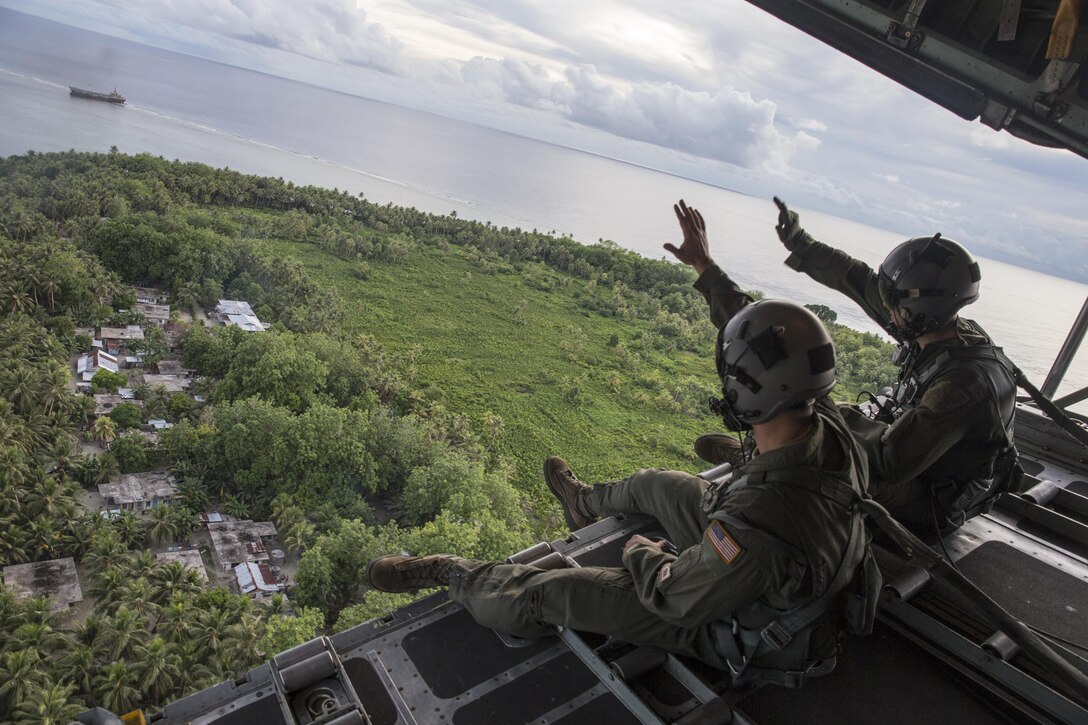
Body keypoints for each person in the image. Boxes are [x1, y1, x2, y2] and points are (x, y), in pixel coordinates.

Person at [366, 201, 875, 686]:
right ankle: (581, 502)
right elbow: (759, 334)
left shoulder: (759, 521)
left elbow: (673, 596)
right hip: (773, 568)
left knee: (552, 590)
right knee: (661, 484)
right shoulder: (825, 417)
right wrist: (704, 265)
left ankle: (452, 573)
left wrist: (643, 553)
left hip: (744, 626)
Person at [768, 197, 1018, 532]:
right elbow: (858, 280)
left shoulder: (961, 385)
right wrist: (802, 244)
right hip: (928, 461)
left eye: (894, 304)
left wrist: (835, 416)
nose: (887, 311)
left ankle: (766, 479)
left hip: (935, 502)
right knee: (826, 420)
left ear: (919, 313)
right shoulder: (943, 330)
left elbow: (891, 462)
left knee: (831, 451)